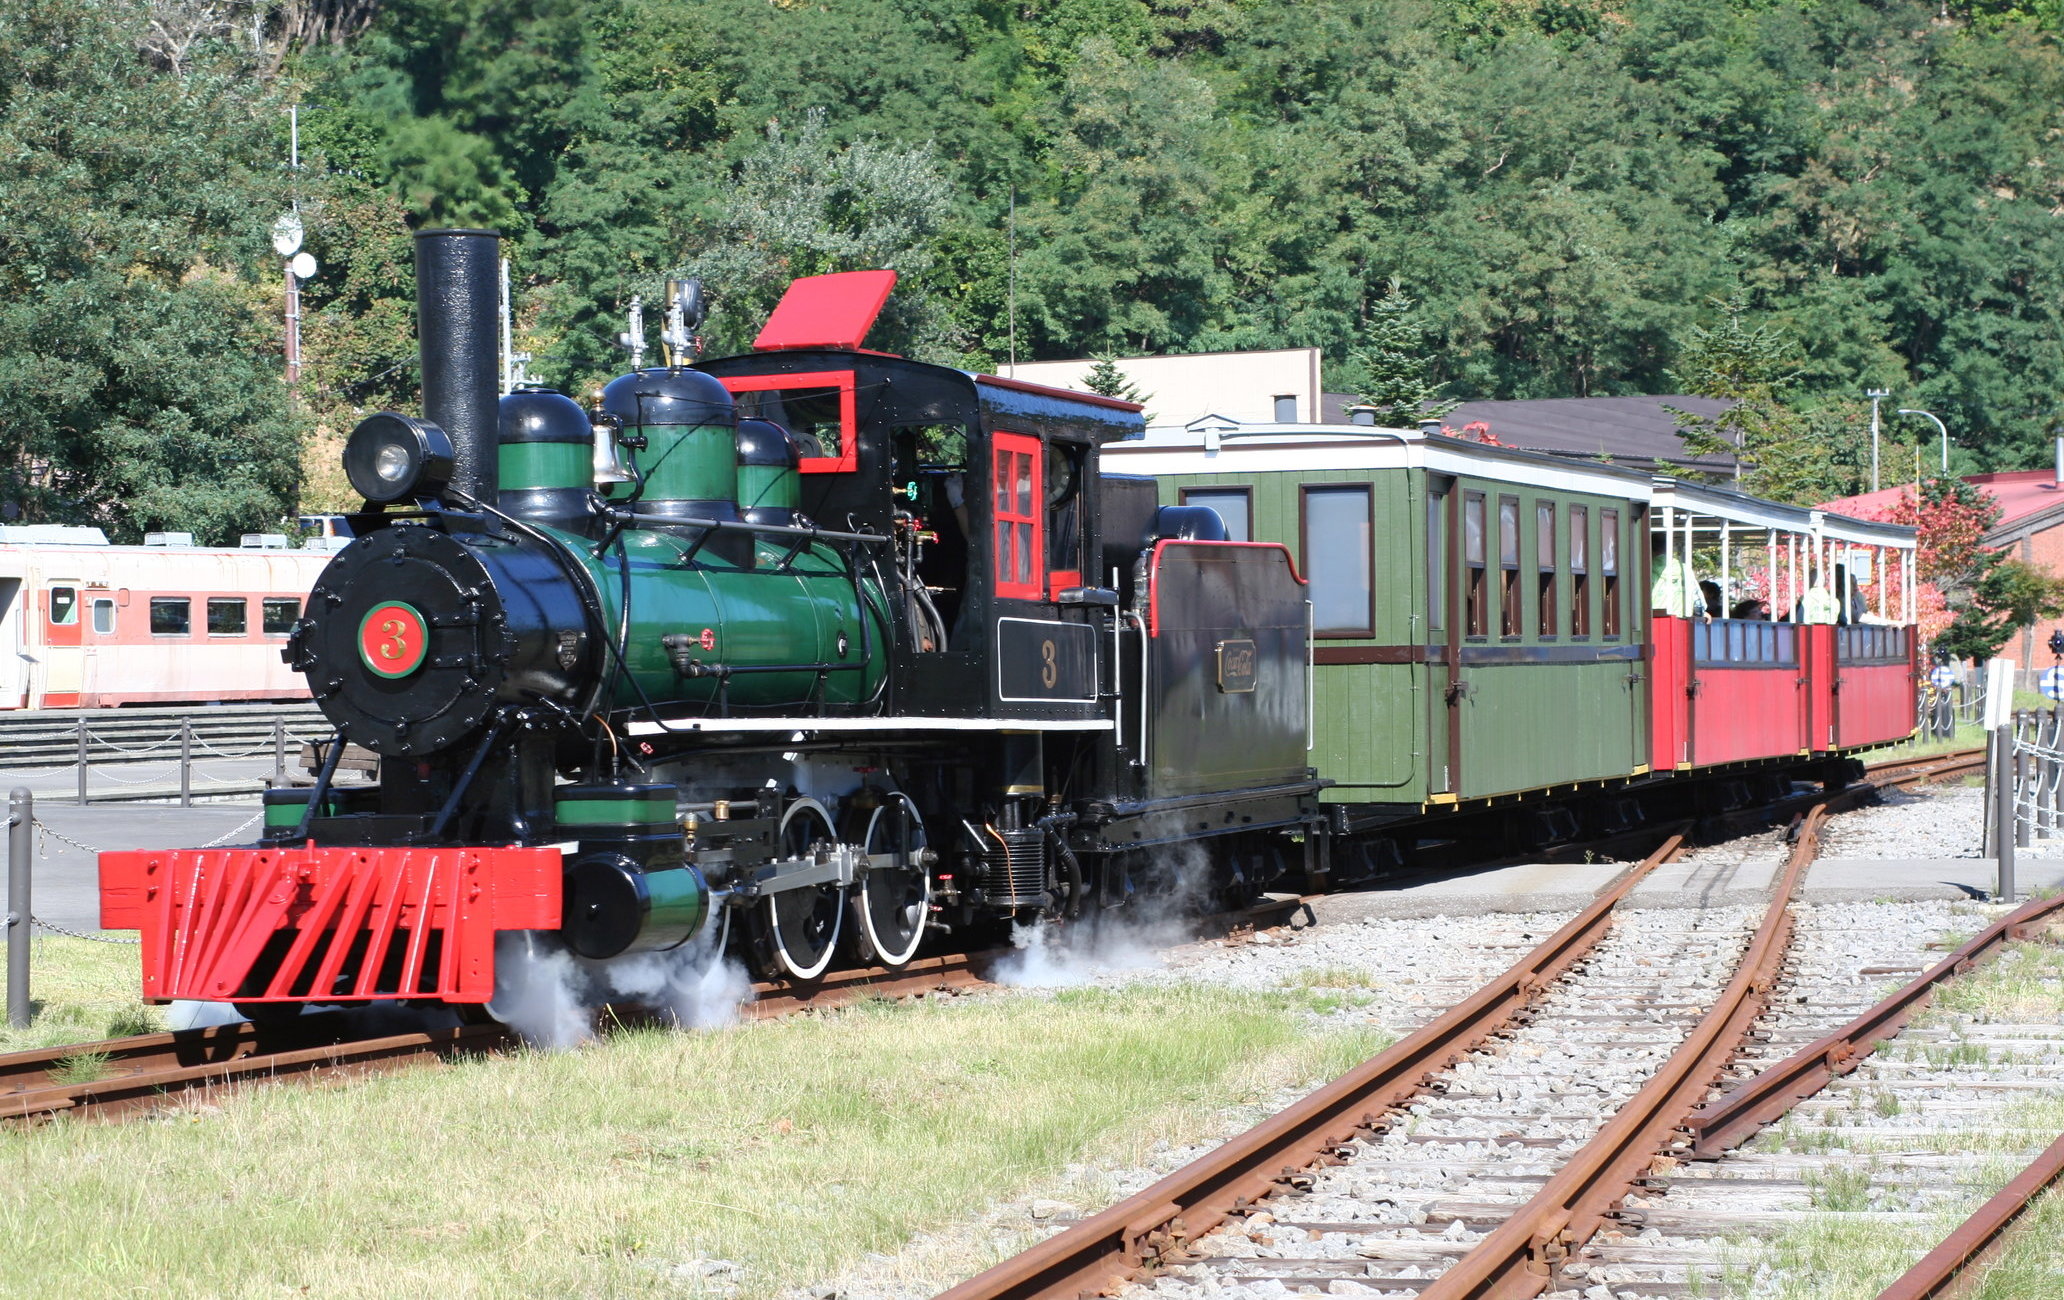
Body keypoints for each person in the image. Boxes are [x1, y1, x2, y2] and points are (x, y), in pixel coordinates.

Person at [1650, 540, 1708, 621]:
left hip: (1653, 621)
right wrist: (1702, 614)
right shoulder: (1684, 568)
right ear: (1670, 549)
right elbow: (1698, 601)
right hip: (1682, 621)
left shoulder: (1646, 568)